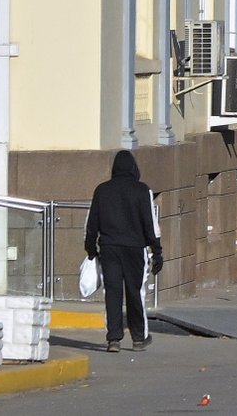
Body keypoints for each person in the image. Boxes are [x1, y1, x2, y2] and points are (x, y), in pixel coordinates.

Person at [85, 150, 161, 352]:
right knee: (135, 292)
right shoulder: (141, 190)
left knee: (113, 292)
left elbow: (92, 223)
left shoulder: (102, 190)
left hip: (109, 248)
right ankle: (138, 337)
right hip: (135, 249)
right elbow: (150, 224)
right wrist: (157, 251)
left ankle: (114, 339)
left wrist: (91, 248)